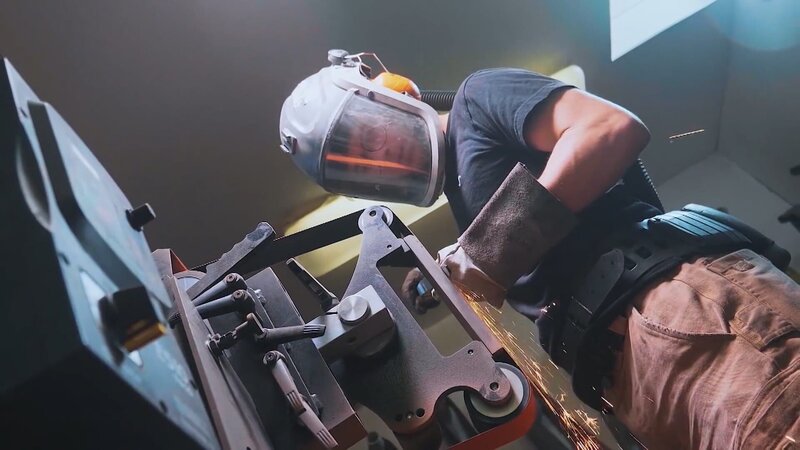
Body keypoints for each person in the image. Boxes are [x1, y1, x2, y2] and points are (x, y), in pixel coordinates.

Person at [279, 50, 800, 450]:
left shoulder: (477, 99)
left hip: (680, 313)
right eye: (359, 167)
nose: (378, 160)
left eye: (367, 139)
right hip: (629, 378)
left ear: (389, 93)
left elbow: (610, 130)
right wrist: (452, 262)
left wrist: (481, 254)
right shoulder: (466, 204)